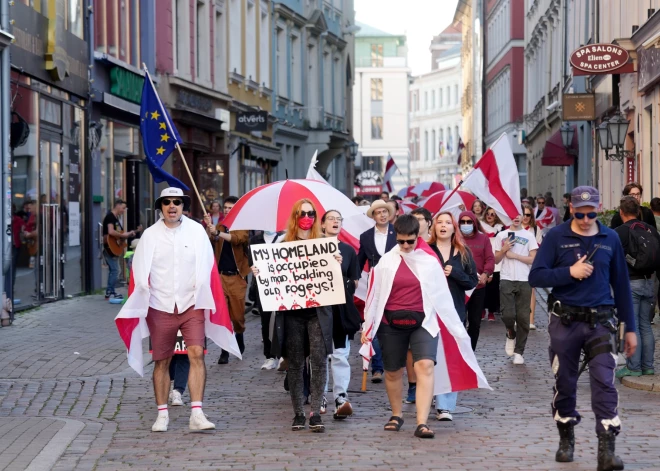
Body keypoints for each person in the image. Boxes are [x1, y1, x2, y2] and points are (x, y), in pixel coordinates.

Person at [529, 186, 637, 470]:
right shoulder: (556, 237)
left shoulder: (610, 238)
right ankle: (566, 437)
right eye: (580, 213)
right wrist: (569, 273)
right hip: (565, 322)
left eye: (591, 213)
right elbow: (536, 276)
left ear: (598, 209)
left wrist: (631, 328)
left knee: (604, 381)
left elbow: (622, 286)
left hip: (601, 323)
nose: (586, 219)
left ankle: (607, 449)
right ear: (571, 208)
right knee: (565, 382)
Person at [119, 187, 223, 432]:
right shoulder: (150, 236)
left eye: (177, 202)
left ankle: (197, 413)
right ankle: (162, 414)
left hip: (191, 303)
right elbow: (139, 271)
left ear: (184, 205)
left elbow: (208, 263)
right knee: (162, 361)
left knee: (196, 353)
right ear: (161, 207)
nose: (172, 206)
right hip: (160, 305)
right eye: (167, 202)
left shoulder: (196, 231)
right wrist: (142, 298)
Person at [258, 199, 340, 433]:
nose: (306, 217)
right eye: (302, 213)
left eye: (311, 213)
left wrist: (336, 264)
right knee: (294, 363)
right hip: (292, 315)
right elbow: (271, 275)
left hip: (317, 314)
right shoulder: (283, 244)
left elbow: (334, 278)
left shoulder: (325, 244)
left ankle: (315, 412)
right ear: (295, 217)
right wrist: (261, 271)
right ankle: (298, 413)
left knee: (318, 361)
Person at [361, 215, 440, 439]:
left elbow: (441, 295)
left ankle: (422, 421)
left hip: (423, 321)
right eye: (401, 241)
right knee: (393, 370)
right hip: (390, 322)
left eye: (410, 241)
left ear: (418, 237)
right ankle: (396, 414)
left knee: (424, 365)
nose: (405, 246)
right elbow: (373, 297)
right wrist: (367, 329)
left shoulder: (429, 260)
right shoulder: (385, 262)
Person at [429, 212, 478, 421]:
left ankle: (445, 405)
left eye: (448, 223)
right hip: (430, 312)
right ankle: (431, 392)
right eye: (439, 222)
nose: (443, 226)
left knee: (451, 358)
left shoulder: (463, 252)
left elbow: (472, 281)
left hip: (454, 312)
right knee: (432, 358)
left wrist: (455, 273)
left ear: (453, 228)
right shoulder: (426, 251)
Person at [321, 210, 361, 420]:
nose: (335, 221)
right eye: (331, 218)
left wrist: (338, 270)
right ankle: (320, 395)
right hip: (317, 310)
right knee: (318, 355)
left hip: (339, 310)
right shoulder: (312, 248)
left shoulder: (347, 250)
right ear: (323, 224)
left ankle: (340, 397)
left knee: (340, 354)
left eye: (339, 219)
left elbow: (354, 283)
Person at [614, 196, 657, 378]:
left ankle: (633, 367)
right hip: (650, 282)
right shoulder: (651, 229)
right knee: (646, 324)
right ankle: (648, 366)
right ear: (639, 211)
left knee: (634, 326)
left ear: (621, 212)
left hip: (631, 283)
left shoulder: (619, 232)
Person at [204, 196, 249, 365]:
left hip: (237, 277)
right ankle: (225, 351)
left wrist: (218, 232)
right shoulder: (219, 226)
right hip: (220, 276)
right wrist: (210, 227)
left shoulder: (242, 227)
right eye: (225, 207)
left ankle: (239, 335)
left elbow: (237, 239)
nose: (227, 210)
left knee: (237, 316)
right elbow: (210, 240)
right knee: (223, 315)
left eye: (230, 208)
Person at [357, 200, 397, 383]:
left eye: (385, 211)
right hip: (375, 283)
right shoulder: (365, 236)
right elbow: (360, 260)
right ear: (373, 216)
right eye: (378, 212)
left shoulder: (398, 233)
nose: (382, 214)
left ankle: (395, 361)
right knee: (373, 322)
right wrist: (354, 278)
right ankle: (377, 367)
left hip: (396, 282)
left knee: (393, 321)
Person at [493, 212, 538, 365]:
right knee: (507, 315)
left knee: (524, 318)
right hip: (506, 278)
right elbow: (496, 259)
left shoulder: (529, 236)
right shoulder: (502, 235)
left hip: (524, 279)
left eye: (520, 214)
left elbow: (533, 258)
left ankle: (519, 351)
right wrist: (505, 249)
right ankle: (510, 333)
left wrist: (516, 256)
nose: (517, 217)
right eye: (514, 213)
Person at [406, 206, 434, 403]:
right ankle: (413, 385)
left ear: (428, 222)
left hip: (432, 305)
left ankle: (432, 387)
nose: (417, 223)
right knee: (410, 349)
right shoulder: (405, 243)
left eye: (420, 219)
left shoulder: (436, 244)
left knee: (429, 353)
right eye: (413, 219)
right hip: (410, 304)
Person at [457, 210, 494, 350]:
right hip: (459, 288)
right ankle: (460, 351)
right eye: (463, 222)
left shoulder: (483, 239)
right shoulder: (455, 238)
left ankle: (470, 351)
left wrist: (486, 273)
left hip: (478, 287)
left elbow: (490, 259)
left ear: (474, 223)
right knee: (460, 321)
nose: (466, 224)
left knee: (475, 322)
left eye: (469, 222)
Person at [247, 229, 282, 370]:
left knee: (284, 320)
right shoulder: (255, 240)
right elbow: (251, 261)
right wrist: (254, 269)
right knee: (267, 321)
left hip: (283, 285)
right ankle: (270, 356)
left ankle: (284, 355)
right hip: (264, 287)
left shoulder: (286, 238)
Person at [102, 199, 136, 301]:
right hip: (109, 247)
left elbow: (117, 235)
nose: (123, 210)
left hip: (113, 247)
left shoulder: (116, 218)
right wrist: (122, 235)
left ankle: (110, 291)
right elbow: (111, 232)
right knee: (116, 270)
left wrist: (127, 235)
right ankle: (110, 292)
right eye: (123, 208)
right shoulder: (110, 217)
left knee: (115, 270)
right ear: (117, 205)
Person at [521, 203, 544, 330]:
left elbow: (539, 246)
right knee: (517, 292)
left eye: (528, 215)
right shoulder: (515, 228)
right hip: (516, 263)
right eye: (523, 214)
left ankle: (530, 320)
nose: (525, 217)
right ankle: (519, 319)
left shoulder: (535, 229)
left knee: (531, 291)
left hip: (531, 263)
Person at [482, 208, 505, 321]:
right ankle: (481, 309)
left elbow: (494, 234)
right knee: (482, 286)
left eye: (493, 214)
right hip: (483, 258)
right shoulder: (480, 227)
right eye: (488, 214)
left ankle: (491, 311)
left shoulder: (500, 228)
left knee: (493, 288)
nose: (490, 216)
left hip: (496, 260)